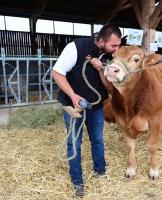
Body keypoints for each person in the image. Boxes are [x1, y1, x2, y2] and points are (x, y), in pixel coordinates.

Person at [52, 23, 121, 198]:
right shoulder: (76, 47)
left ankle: (100, 172)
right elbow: (57, 73)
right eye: (114, 45)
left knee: (97, 141)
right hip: (73, 105)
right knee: (74, 143)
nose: (117, 49)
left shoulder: (110, 56)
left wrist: (100, 68)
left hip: (96, 107)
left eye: (118, 45)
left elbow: (109, 88)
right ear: (100, 40)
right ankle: (77, 182)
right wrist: (73, 95)